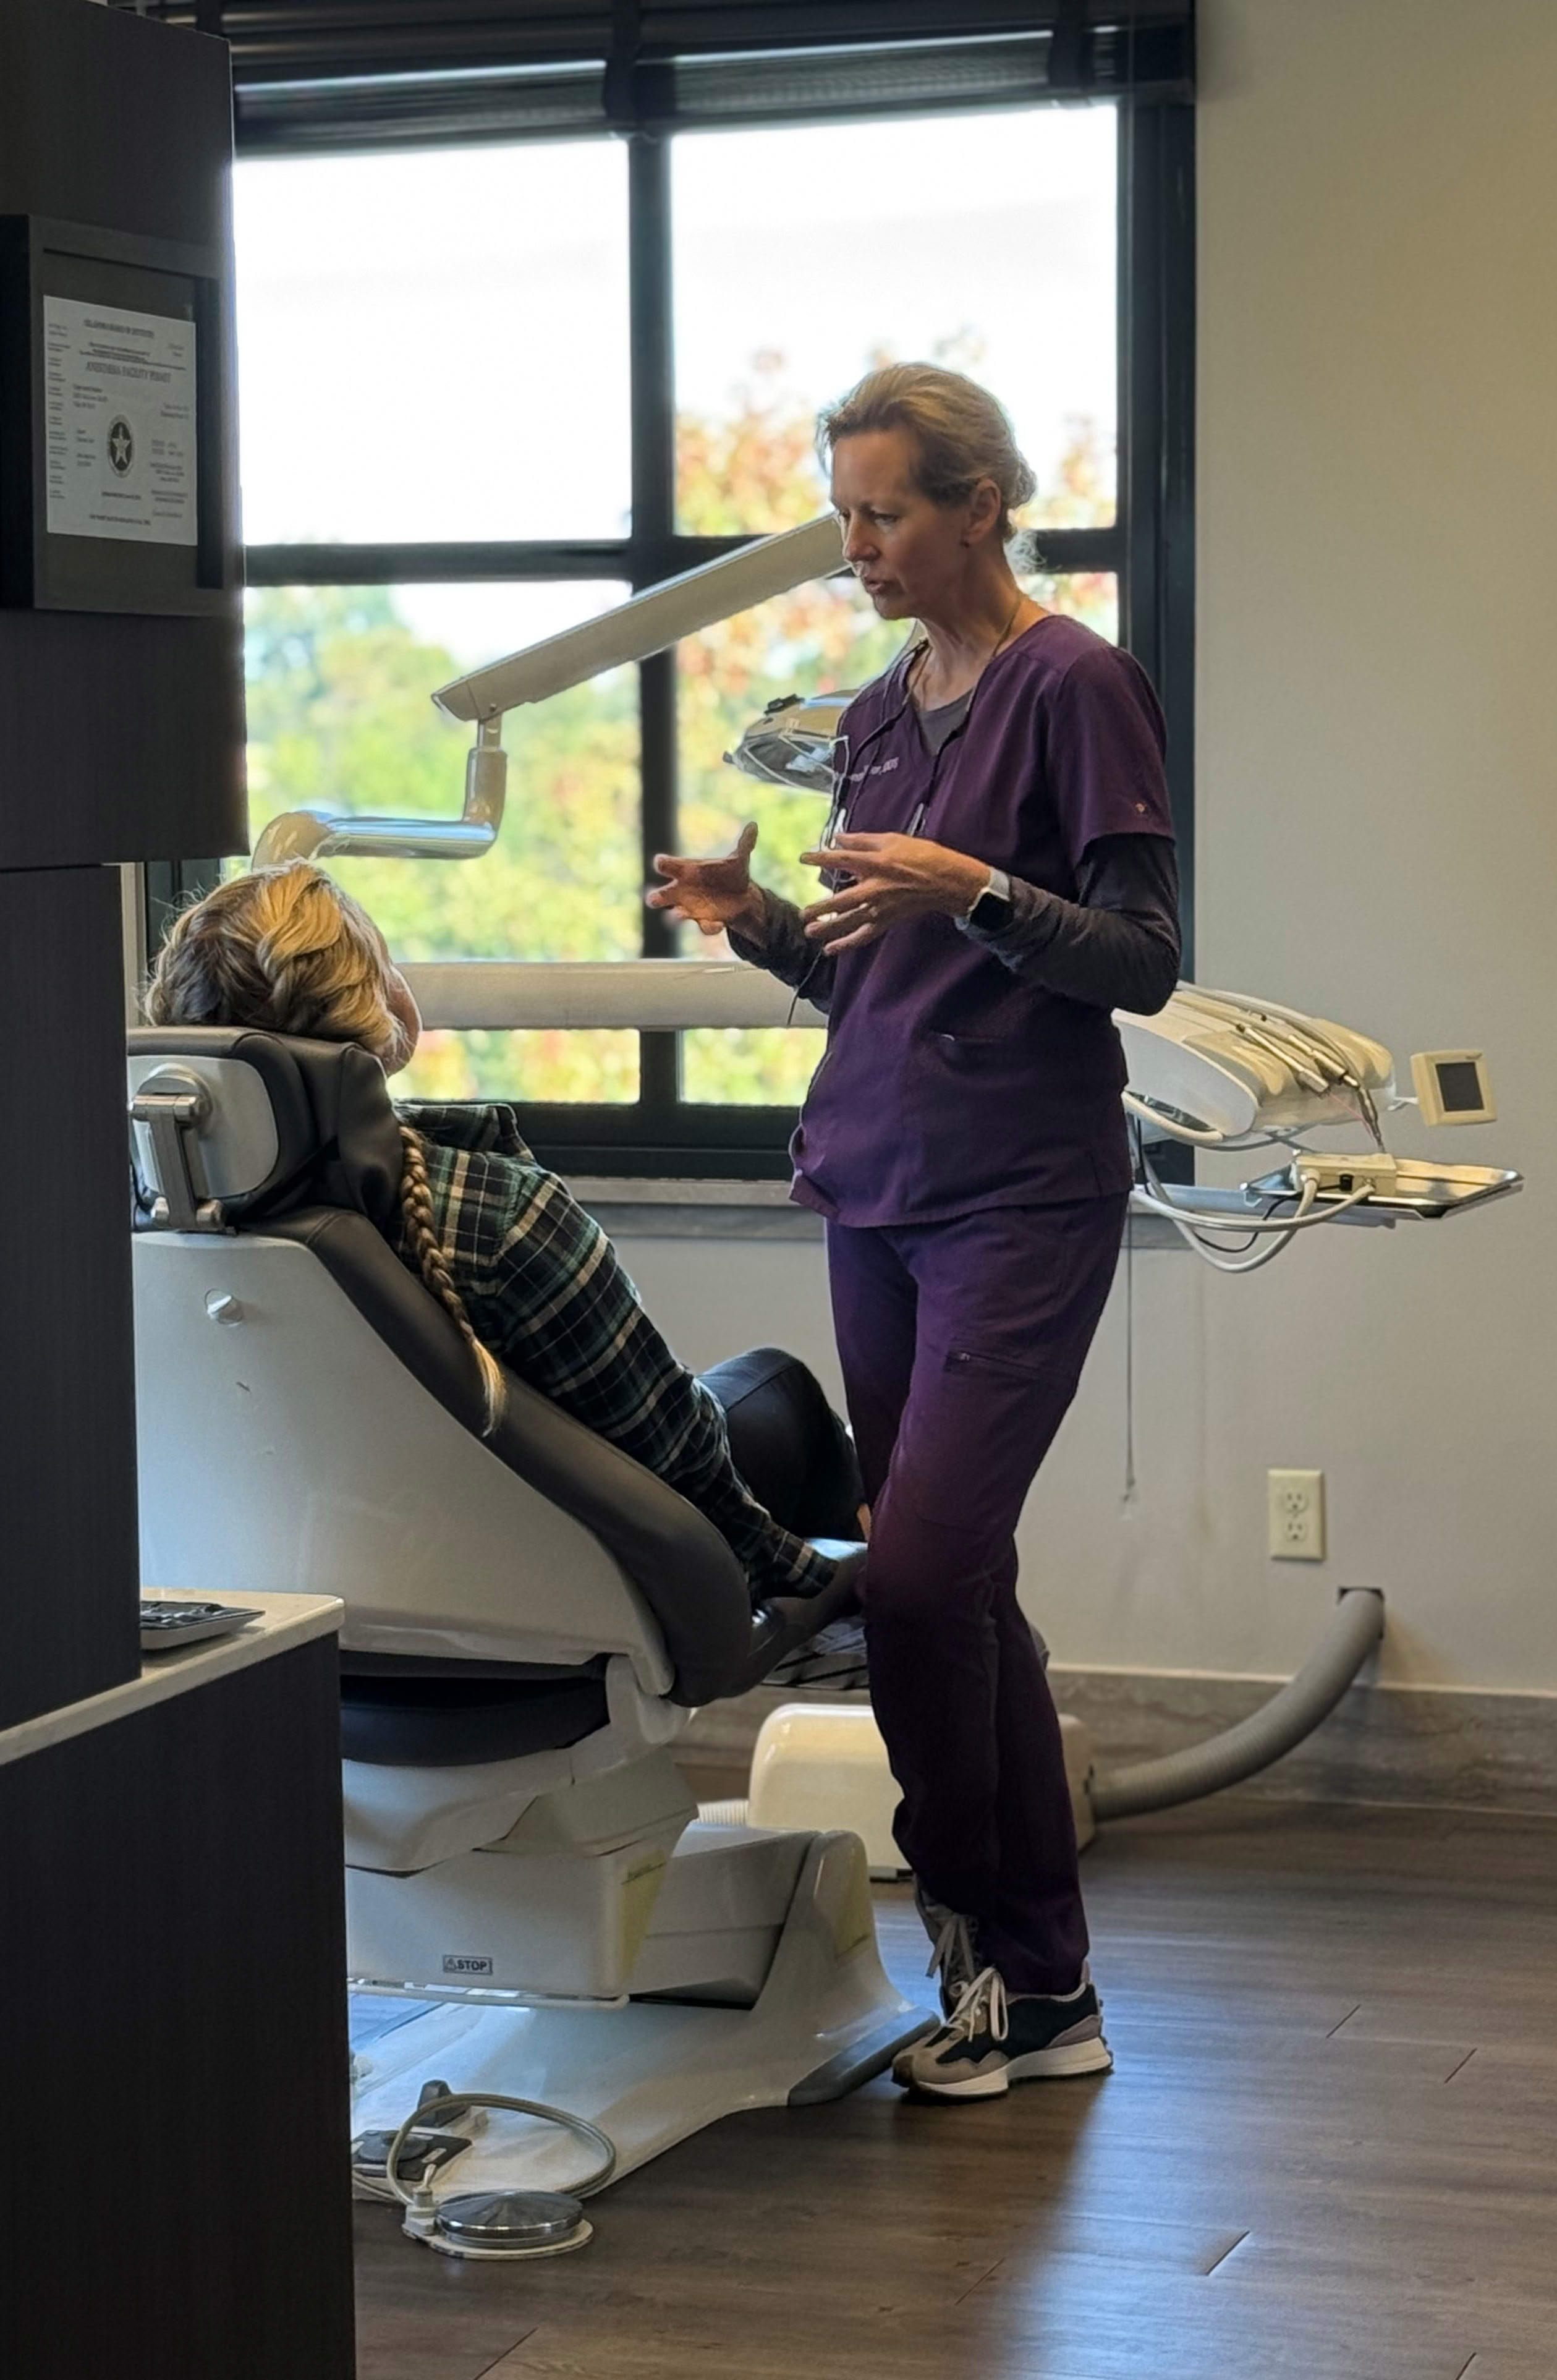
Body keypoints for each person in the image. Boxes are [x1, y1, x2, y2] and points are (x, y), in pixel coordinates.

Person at [648, 362, 1180, 2099]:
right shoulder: (883, 710)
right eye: (845, 516)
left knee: (925, 1573)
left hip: (1022, 1190)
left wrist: (980, 889)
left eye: (883, 513)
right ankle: (1039, 1984)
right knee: (960, 1580)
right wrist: (755, 922)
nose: (857, 546)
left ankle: (991, 1948)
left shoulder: (1075, 684)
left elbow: (1142, 958)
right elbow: (866, 980)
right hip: (874, 1183)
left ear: (979, 508)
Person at [142, 861, 865, 1668]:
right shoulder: (499, 1215)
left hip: (297, 1606)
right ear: (373, 1001)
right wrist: (803, 1572)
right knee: (781, 1389)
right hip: (555, 1602)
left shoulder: (139, 1229)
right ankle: (894, 1629)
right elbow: (678, 1462)